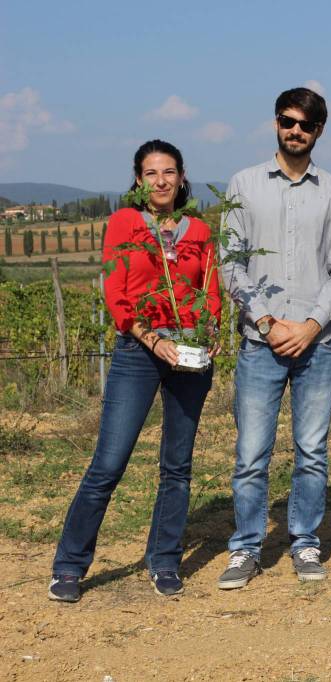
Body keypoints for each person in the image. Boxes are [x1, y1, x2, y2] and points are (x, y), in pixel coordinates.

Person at [49, 140, 222, 602]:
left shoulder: (200, 231)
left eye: (169, 172)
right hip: (140, 351)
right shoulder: (125, 223)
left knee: (177, 466)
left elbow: (210, 288)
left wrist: (212, 328)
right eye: (151, 173)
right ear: (138, 179)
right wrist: (153, 340)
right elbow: (116, 291)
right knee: (108, 463)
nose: (161, 181)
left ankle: (164, 560)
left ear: (182, 177)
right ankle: (69, 566)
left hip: (189, 353)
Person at [217, 87, 331, 589]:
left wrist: (311, 325)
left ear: (319, 131)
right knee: (251, 451)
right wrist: (267, 323)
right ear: (275, 123)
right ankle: (246, 548)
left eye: (304, 124)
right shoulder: (244, 184)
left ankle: (304, 543)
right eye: (286, 121)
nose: (294, 130)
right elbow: (230, 264)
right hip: (261, 343)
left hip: (317, 344)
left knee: (312, 450)